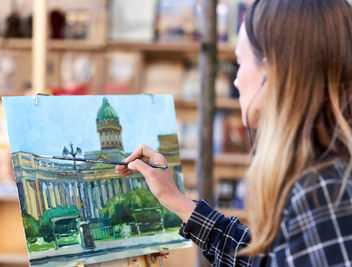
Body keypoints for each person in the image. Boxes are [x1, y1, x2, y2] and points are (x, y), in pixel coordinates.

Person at [116, 0, 352, 266]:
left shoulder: (324, 190)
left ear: (273, 69)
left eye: (240, 62)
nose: (236, 80)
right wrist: (173, 199)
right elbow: (267, 260)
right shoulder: (322, 175)